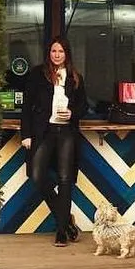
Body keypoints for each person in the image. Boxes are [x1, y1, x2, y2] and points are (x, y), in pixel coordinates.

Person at [21, 37, 88, 247]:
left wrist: (72, 113)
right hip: (45, 131)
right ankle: (66, 220)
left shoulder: (75, 78)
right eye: (53, 51)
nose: (57, 55)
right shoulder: (38, 74)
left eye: (60, 51)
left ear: (67, 54)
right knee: (36, 175)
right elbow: (27, 106)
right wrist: (26, 134)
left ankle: (61, 231)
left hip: (66, 132)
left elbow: (84, 106)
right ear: (48, 53)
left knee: (65, 179)